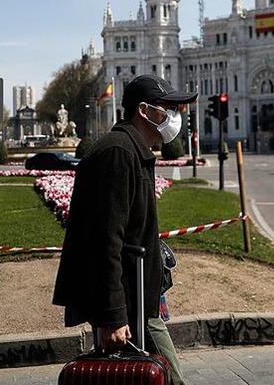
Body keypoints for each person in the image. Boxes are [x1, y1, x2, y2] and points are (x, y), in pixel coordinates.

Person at [53, 74, 196, 384]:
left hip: (140, 299)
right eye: (167, 108)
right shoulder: (118, 153)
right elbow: (106, 240)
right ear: (144, 111)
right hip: (129, 305)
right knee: (170, 379)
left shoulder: (132, 149)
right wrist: (113, 316)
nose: (175, 116)